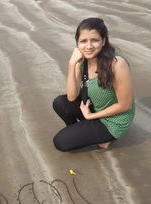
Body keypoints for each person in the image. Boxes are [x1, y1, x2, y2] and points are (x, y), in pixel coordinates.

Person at [52, 17, 135, 152]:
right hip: (96, 109)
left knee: (60, 142)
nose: (89, 46)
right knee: (60, 103)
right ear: (77, 44)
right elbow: (71, 97)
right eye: (83, 41)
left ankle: (105, 138)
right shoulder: (82, 62)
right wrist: (72, 64)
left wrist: (91, 116)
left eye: (95, 40)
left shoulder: (116, 63)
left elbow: (125, 105)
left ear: (103, 41)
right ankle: (83, 131)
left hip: (113, 121)